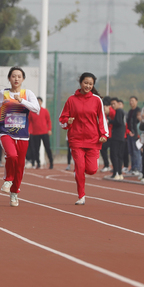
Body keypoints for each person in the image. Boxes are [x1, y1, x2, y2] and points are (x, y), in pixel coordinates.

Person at [0, 66, 41, 207]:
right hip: (6, 132)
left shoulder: (27, 93)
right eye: (13, 76)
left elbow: (36, 109)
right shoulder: (3, 93)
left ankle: (14, 192)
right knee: (11, 155)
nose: (16, 79)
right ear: (9, 78)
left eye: (19, 76)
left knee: (20, 165)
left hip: (22, 135)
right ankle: (8, 180)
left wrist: (21, 101)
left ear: (23, 79)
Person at [58, 72, 108, 204]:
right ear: (80, 83)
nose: (88, 86)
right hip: (76, 140)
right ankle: (81, 196)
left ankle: (82, 169)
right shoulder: (71, 100)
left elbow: (102, 118)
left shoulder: (97, 100)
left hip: (93, 139)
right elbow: (62, 119)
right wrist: (68, 121)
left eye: (90, 84)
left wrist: (104, 134)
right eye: (85, 83)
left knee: (91, 170)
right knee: (80, 168)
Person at [28, 97, 54, 169]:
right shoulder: (31, 112)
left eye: (40, 101)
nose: (38, 102)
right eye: (37, 101)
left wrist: (49, 129)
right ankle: (38, 163)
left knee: (47, 148)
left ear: (41, 102)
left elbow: (49, 121)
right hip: (35, 133)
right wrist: (29, 131)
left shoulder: (45, 111)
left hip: (44, 132)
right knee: (36, 149)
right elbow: (29, 122)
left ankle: (51, 162)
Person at [109, 98, 126, 179]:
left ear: (118, 103)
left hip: (117, 136)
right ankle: (119, 173)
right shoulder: (121, 111)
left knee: (114, 155)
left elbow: (118, 122)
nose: (113, 105)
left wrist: (110, 121)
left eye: (114, 103)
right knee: (119, 155)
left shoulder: (119, 111)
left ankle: (116, 173)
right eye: (111, 104)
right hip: (121, 136)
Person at [126, 96, 142, 175]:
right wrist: (129, 132)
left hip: (136, 135)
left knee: (136, 152)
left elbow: (139, 122)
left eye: (133, 100)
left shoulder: (138, 111)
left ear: (136, 101)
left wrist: (137, 133)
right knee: (131, 152)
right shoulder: (130, 111)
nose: (131, 102)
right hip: (130, 134)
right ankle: (132, 168)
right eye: (130, 101)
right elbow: (128, 122)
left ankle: (137, 168)